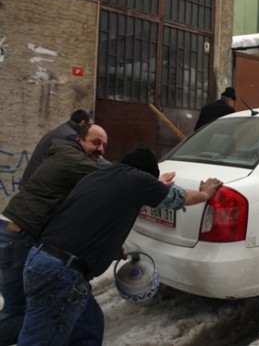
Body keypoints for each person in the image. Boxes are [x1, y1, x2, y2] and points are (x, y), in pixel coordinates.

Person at [17, 148, 222, 346]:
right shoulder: (139, 180)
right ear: (147, 175)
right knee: (41, 339)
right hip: (62, 273)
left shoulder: (100, 176)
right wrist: (204, 194)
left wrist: (109, 246)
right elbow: (177, 198)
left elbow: (93, 214)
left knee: (89, 326)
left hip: (43, 260)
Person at [0, 124, 108, 346]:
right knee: (19, 311)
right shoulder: (74, 160)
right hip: (19, 236)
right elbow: (112, 179)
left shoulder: (66, 155)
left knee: (26, 310)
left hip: (14, 234)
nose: (101, 149)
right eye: (95, 142)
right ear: (79, 140)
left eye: (104, 145)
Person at [19, 109, 93, 188]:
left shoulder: (63, 130)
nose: (91, 129)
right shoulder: (70, 136)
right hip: (39, 185)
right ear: (82, 123)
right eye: (90, 125)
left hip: (33, 181)